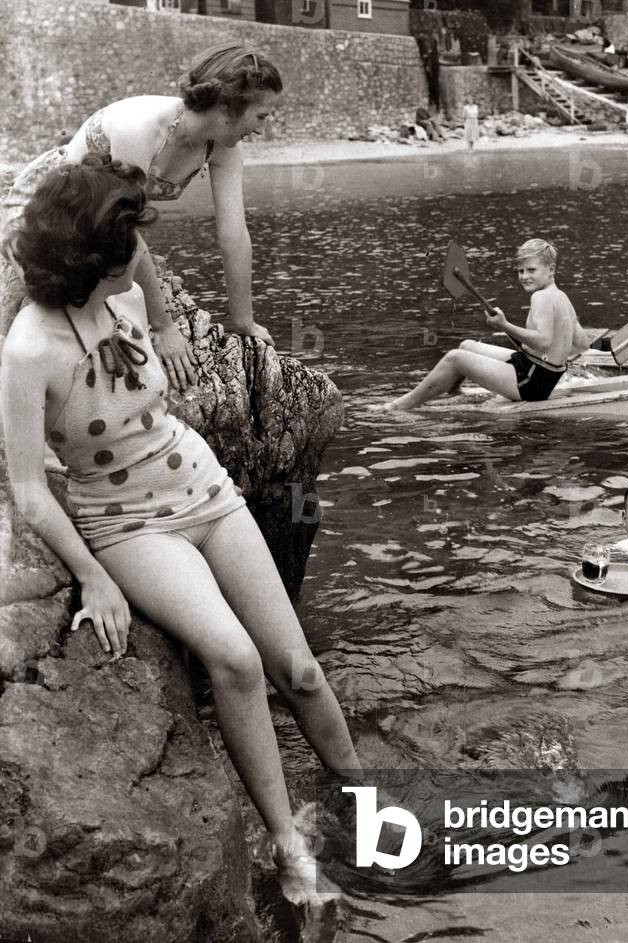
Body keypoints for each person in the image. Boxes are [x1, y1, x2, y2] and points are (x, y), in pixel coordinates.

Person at [0, 157, 360, 904]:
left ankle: (364, 798)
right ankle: (291, 852)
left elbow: (143, 268)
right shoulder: (29, 351)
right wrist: (94, 575)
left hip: (204, 485)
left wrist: (163, 323)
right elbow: (30, 490)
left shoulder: (122, 286)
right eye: (124, 242)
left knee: (299, 669)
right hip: (130, 524)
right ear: (84, 259)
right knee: (234, 660)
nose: (138, 252)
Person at [0, 42, 282, 390]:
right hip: (47, 211)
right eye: (262, 116)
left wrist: (244, 321)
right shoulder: (141, 127)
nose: (261, 130)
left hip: (99, 225)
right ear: (228, 107)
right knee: (81, 319)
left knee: (119, 306)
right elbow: (126, 227)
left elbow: (234, 236)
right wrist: (163, 325)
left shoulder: (221, 148)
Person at [386, 239, 587, 410]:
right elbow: (581, 343)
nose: (524, 276)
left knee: (455, 358)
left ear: (551, 269)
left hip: (531, 383)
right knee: (466, 346)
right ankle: (454, 393)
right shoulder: (562, 298)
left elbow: (543, 342)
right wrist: (552, 355)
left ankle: (399, 406)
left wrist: (504, 324)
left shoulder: (541, 297)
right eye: (520, 271)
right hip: (536, 370)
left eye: (531, 270)